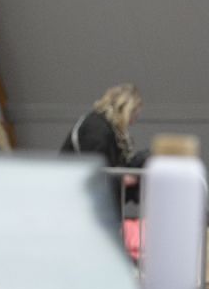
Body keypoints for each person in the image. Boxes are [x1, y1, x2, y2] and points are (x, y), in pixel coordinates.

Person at [60, 83, 148, 217]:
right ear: (125, 109)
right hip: (80, 203)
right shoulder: (98, 130)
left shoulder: (101, 125)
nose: (133, 121)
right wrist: (124, 179)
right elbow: (96, 173)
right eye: (133, 115)